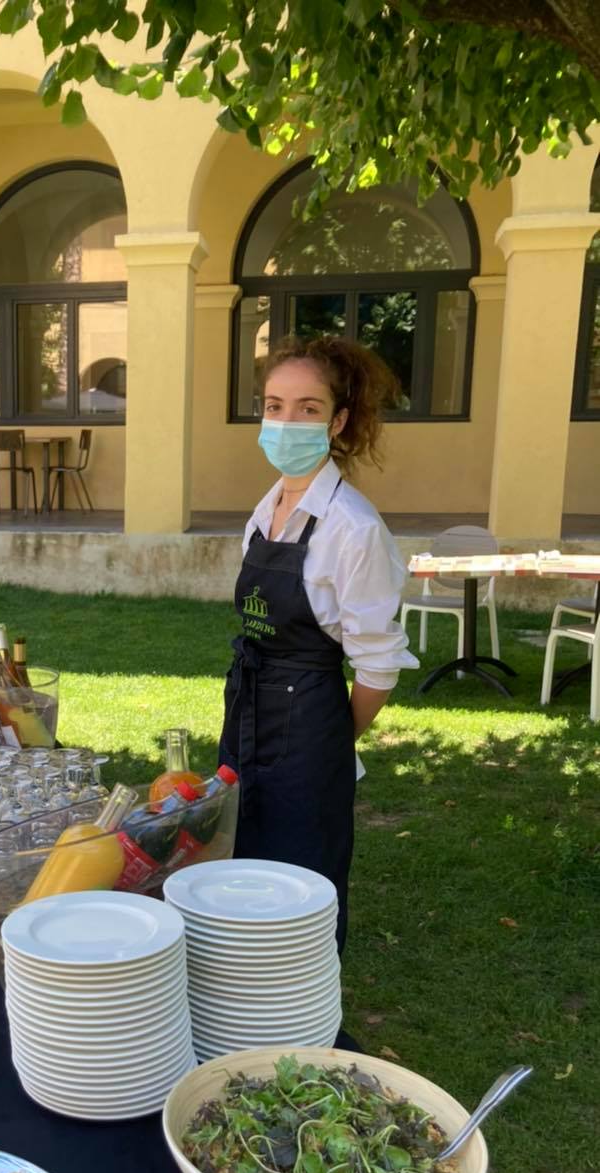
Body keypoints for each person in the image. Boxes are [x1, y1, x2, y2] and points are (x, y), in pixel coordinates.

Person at [219, 335, 418, 954]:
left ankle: (300, 1002)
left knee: (302, 874)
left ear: (337, 421)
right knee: (239, 854)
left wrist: (331, 736)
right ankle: (242, 988)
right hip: (247, 708)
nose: (286, 421)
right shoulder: (268, 507)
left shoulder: (353, 527)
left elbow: (379, 664)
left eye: (307, 408)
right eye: (275, 405)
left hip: (308, 720)